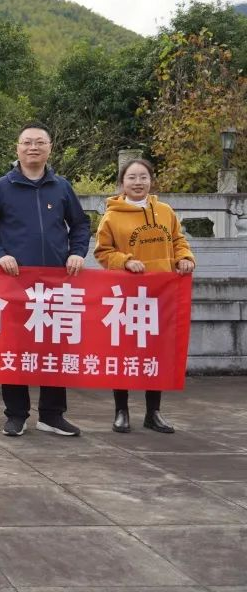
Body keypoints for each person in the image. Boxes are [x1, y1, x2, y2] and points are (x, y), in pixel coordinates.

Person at [0, 122, 91, 437]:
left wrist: (77, 253)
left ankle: (52, 415)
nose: (33, 147)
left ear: (50, 148)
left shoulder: (61, 187)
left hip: (56, 284)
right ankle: (16, 414)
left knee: (55, 349)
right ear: (17, 148)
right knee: (14, 348)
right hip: (15, 283)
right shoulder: (2, 187)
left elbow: (80, 224)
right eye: (27, 142)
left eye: (40, 142)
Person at [94, 159, 194, 434]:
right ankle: (121, 411)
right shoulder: (112, 216)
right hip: (127, 295)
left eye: (143, 177)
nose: (138, 182)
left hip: (161, 294)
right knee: (123, 352)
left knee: (156, 352)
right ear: (122, 182)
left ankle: (153, 412)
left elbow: (178, 240)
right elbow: (103, 251)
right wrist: (125, 261)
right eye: (132, 177)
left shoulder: (165, 211)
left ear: (151, 180)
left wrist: (185, 258)